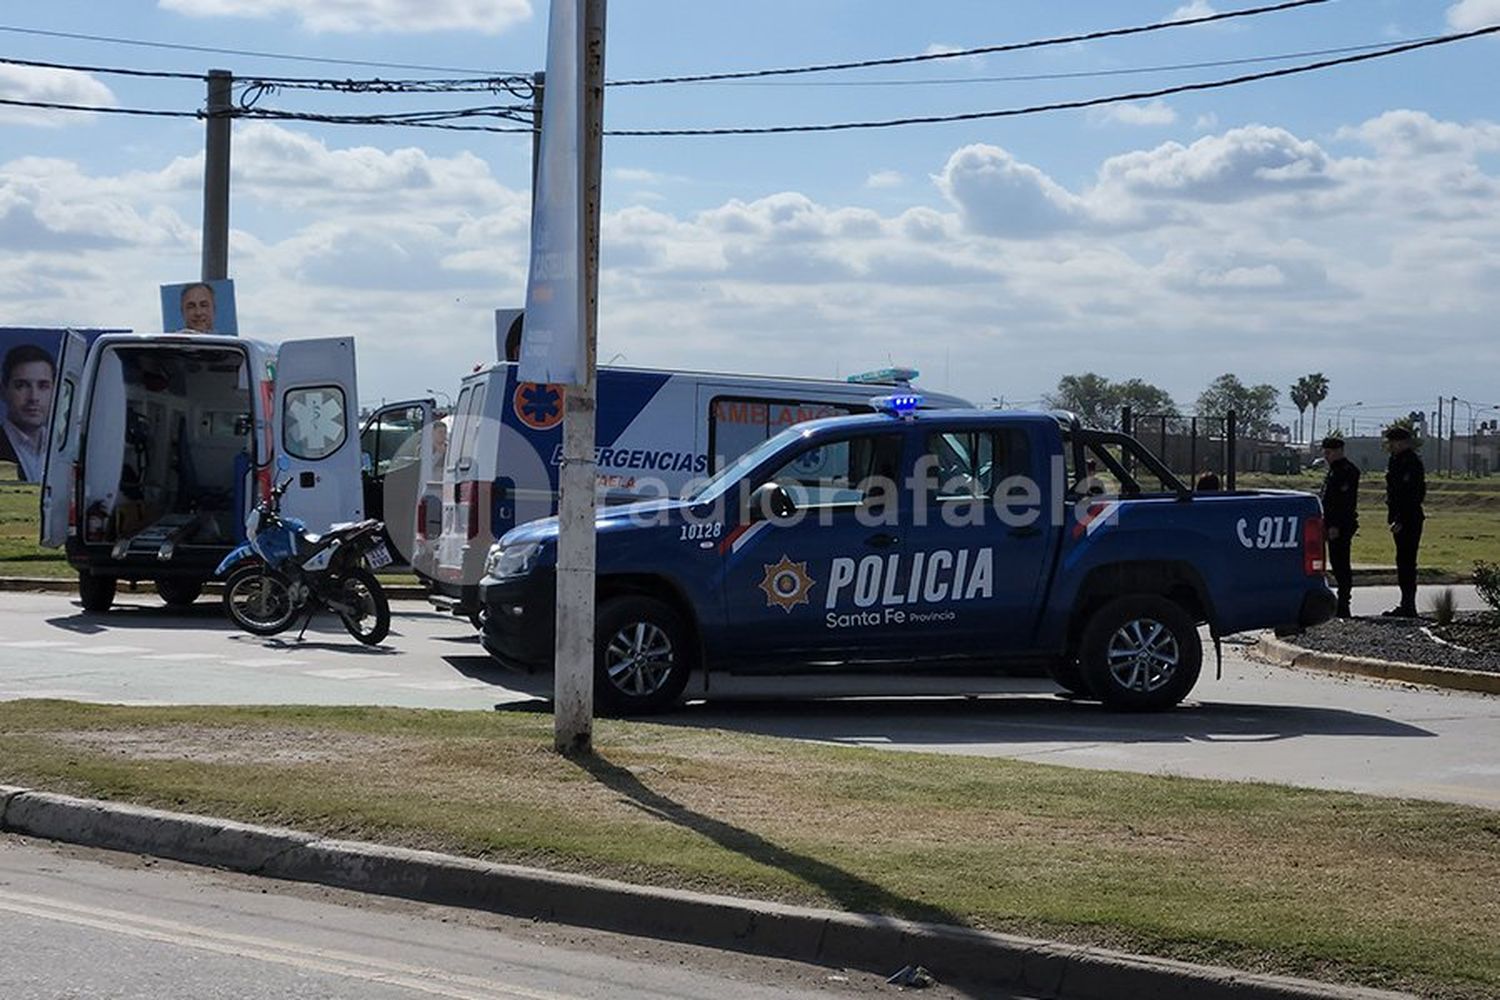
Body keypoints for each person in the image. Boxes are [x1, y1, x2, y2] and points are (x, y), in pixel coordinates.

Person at [1383, 425, 1426, 618]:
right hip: (1399, 518)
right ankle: (1405, 603)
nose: (1390, 446)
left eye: (1392, 442)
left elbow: (1410, 495)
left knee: (1407, 562)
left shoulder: (1411, 463)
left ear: (1402, 442)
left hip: (1409, 519)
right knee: (1402, 562)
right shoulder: (1396, 461)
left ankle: (1409, 605)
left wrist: (1400, 519)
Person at [0, 344, 56, 482]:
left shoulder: (66, 450)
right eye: (22, 385)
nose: (33, 397)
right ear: (3, 391)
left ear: (55, 391)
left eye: (43, 386)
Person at [1319, 435, 1360, 618]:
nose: (1326, 456)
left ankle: (1344, 604)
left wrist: (1335, 525)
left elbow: (1343, 503)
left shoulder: (1346, 471)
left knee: (1341, 564)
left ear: (1338, 451)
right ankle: (1341, 603)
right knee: (1336, 563)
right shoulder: (1334, 470)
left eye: (1328, 453)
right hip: (1331, 524)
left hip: (1341, 525)